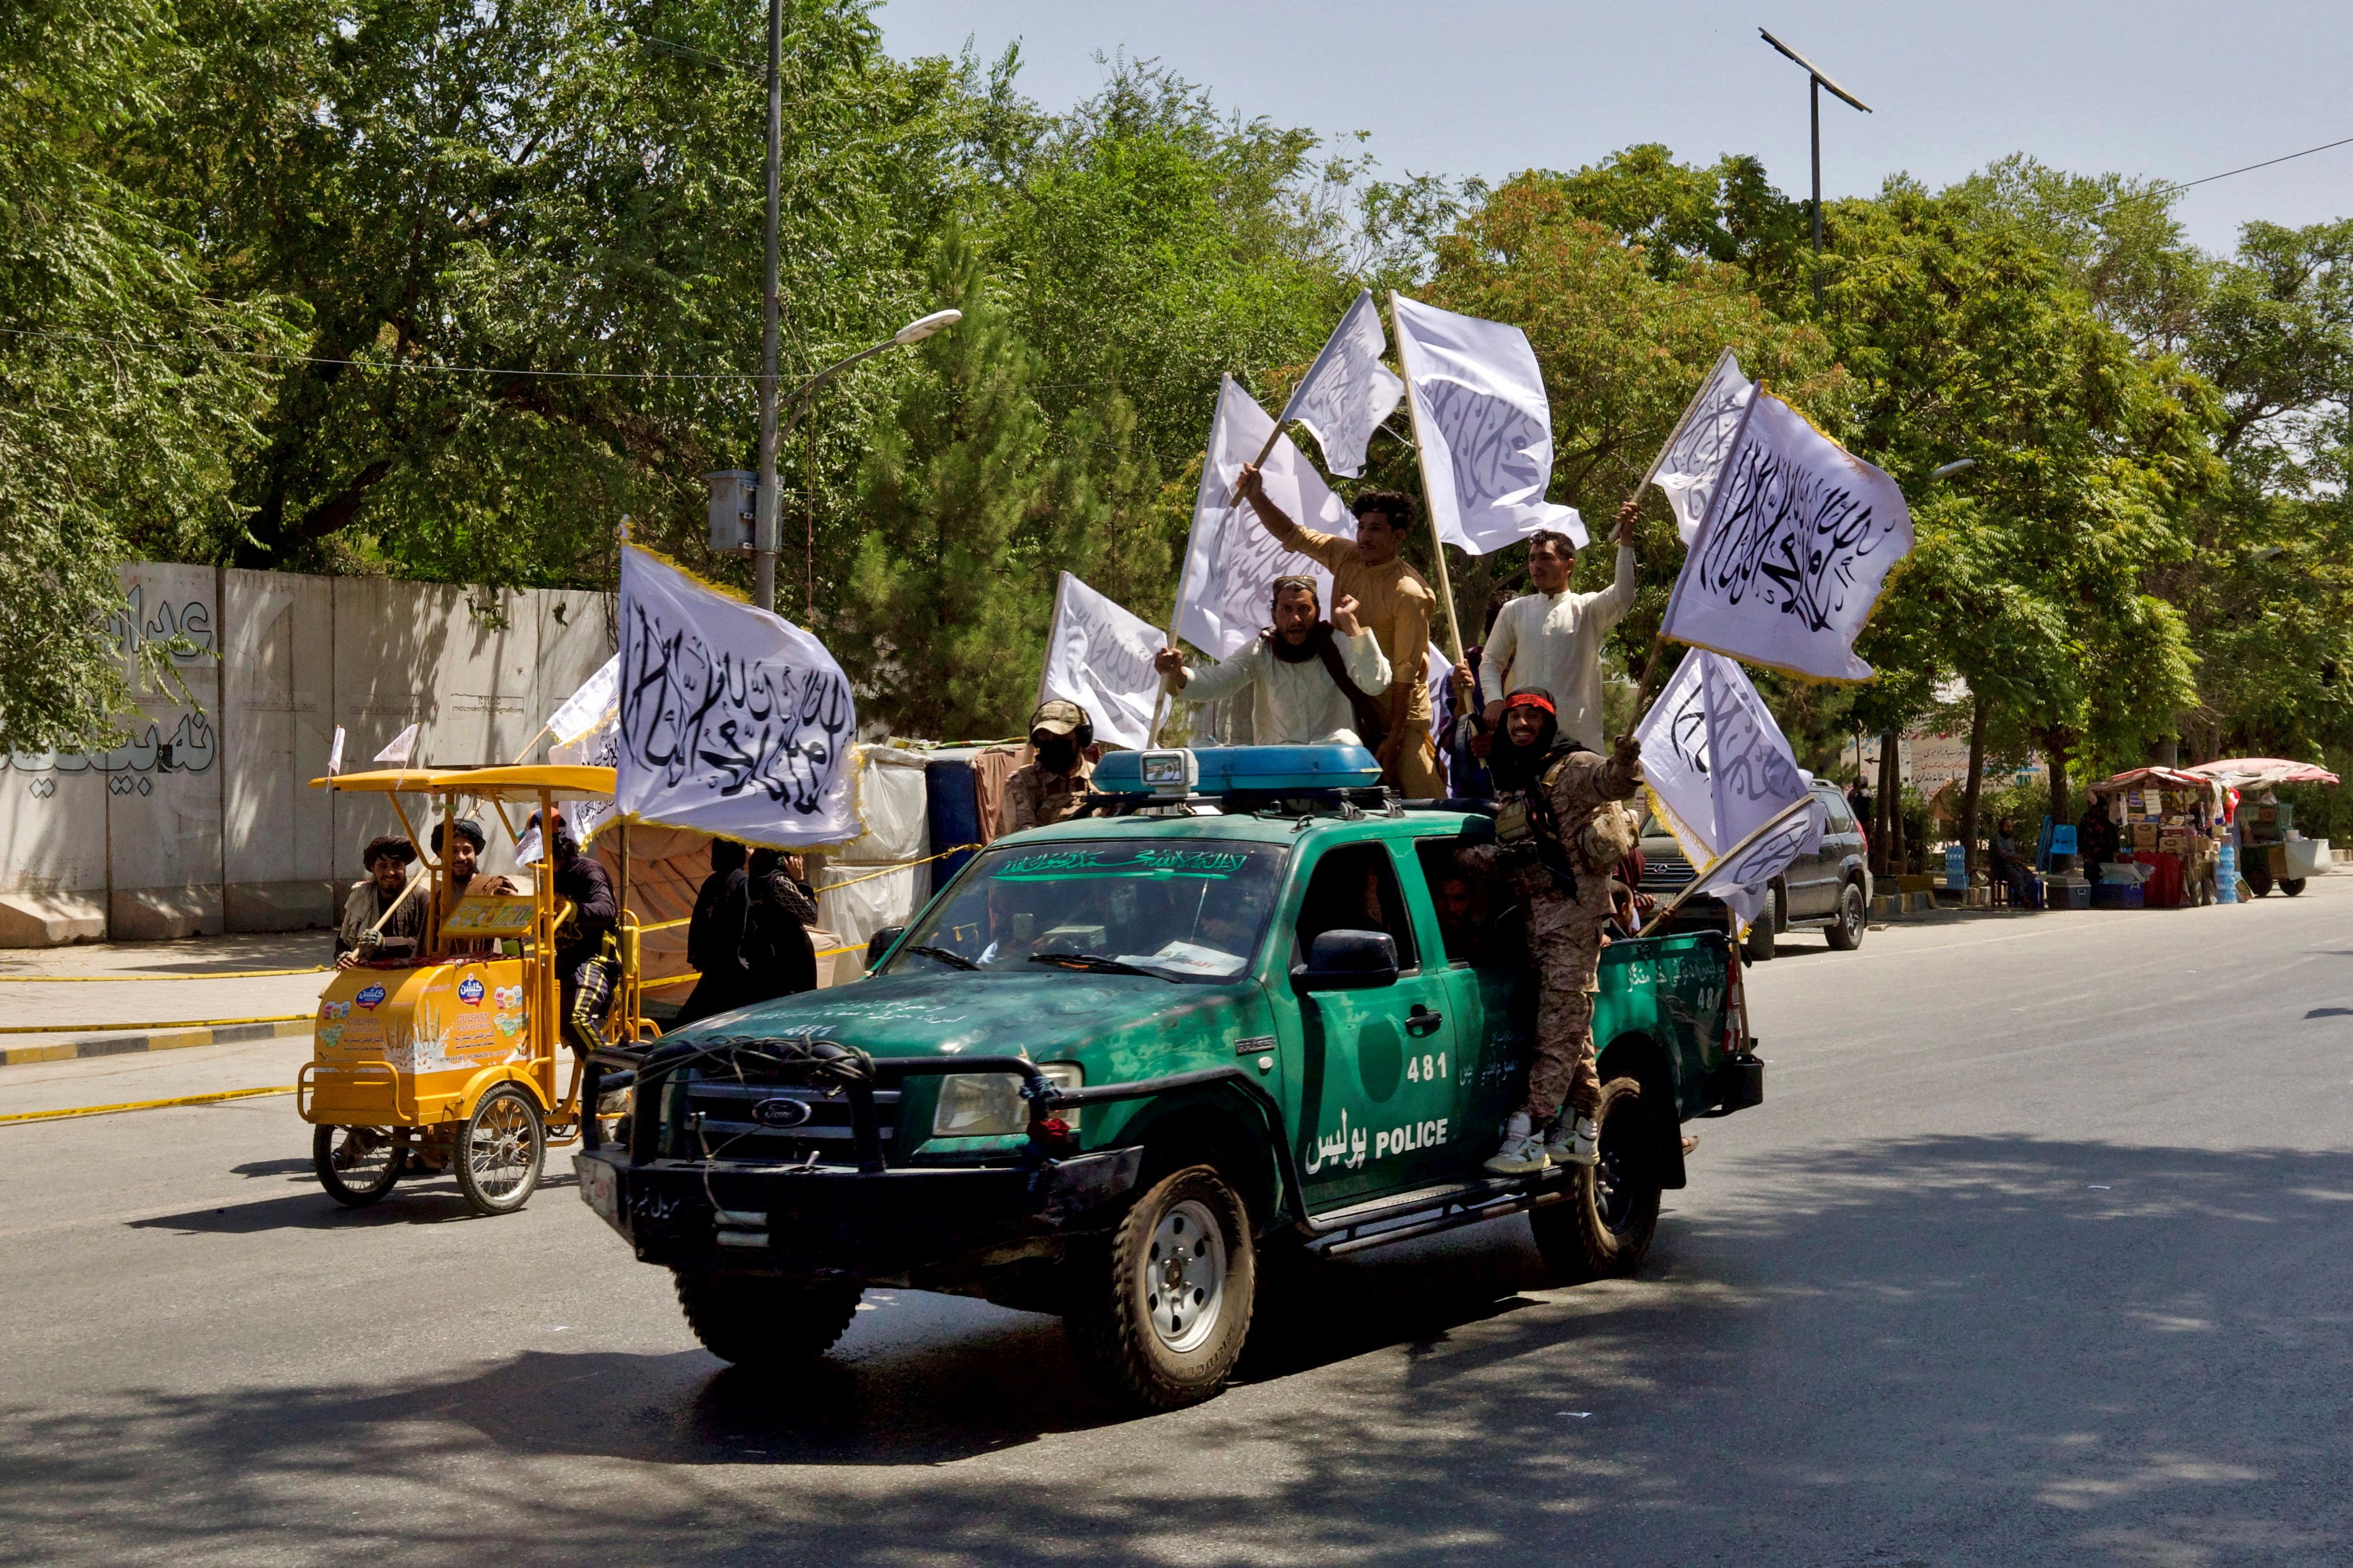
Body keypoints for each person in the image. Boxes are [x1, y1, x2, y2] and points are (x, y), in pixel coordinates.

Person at [1455, 688, 1643, 1175]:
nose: (1521, 724)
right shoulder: (1516, 777)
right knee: (1569, 1027)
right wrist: (1468, 860)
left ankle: (1531, 1130)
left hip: (1573, 920)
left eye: (1532, 716)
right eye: (1514, 716)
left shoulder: (1574, 766)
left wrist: (1626, 761)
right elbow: (1514, 856)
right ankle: (1581, 1124)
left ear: (1549, 722)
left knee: (1556, 1031)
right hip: (1534, 922)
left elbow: (1613, 783)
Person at [1235, 467, 1444, 795]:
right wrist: (1255, 496)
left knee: (1427, 808)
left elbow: (1406, 674)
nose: (1364, 537)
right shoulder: (1347, 556)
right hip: (1349, 714)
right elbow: (1293, 534)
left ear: (1399, 536)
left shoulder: (1410, 593)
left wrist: (1394, 741)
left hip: (1399, 720)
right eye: (1361, 527)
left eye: (1376, 529)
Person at [1467, 500, 1638, 755]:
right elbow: (1491, 662)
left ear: (1569, 566)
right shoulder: (1515, 610)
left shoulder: (1587, 609)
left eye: (1546, 558)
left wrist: (1625, 541)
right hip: (1525, 738)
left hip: (1577, 739)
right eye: (1532, 559)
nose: (1536, 566)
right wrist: (1493, 700)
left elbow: (1624, 595)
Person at [1153, 577, 1391, 746]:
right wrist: (1177, 674)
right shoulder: (1261, 651)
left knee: (1346, 740)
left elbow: (1376, 683)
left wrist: (1350, 622)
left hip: (1333, 766)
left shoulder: (1338, 643)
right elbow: (1217, 682)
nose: (1295, 619)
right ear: (1274, 615)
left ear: (1317, 612)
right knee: (1203, 748)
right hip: (1279, 770)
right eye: (1287, 609)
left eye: (1304, 609)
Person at [538, 814, 619, 1054]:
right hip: (563, 963)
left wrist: (571, 909)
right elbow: (547, 930)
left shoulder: (589, 871)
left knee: (576, 1018)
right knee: (524, 1013)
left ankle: (611, 1074)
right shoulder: (549, 877)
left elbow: (606, 910)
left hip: (597, 961)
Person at [676, 839, 752, 1024]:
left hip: (715, 967)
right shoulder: (743, 882)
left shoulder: (713, 882)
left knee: (692, 1021)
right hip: (732, 971)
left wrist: (697, 956)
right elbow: (744, 927)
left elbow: (698, 923)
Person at [1003, 699, 1102, 832]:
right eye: (1044, 736)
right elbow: (1024, 838)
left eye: (1060, 736)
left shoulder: (1103, 781)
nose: (1051, 741)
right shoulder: (1023, 782)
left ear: (1082, 737)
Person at [743, 848, 820, 1002]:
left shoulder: (758, 877)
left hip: (769, 955)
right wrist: (801, 881)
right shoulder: (779, 882)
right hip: (790, 959)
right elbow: (811, 914)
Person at [336, 834, 424, 968]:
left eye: (396, 865)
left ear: (405, 866)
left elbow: (425, 943)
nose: (390, 873)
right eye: (383, 866)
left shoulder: (421, 897)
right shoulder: (361, 897)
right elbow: (344, 940)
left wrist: (385, 942)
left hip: (407, 973)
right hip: (366, 972)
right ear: (373, 869)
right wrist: (342, 955)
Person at [431, 817, 517, 953]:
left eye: (467, 851)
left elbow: (513, 939)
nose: (461, 857)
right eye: (453, 851)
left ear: (476, 853)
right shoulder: (438, 897)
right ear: (441, 854)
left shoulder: (494, 886)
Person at [1988, 818, 2034, 906]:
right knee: (2016, 875)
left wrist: (2019, 862)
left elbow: (2013, 855)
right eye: (2007, 827)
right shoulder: (1996, 838)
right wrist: (2015, 857)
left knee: (2029, 874)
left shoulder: (2009, 839)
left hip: (2011, 865)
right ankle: (2023, 898)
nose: (2009, 829)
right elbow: (2002, 855)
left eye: (2011, 827)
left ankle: (2025, 898)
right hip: (1999, 867)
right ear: (2002, 827)